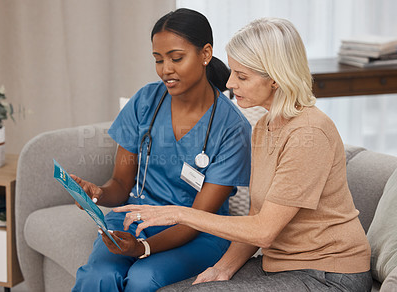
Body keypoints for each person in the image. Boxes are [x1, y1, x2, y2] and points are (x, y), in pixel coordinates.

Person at [114, 18, 373, 292]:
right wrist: (222, 268)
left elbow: (263, 230)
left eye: (242, 76)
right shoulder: (264, 126)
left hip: (329, 274)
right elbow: (255, 216)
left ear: (275, 78)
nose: (229, 82)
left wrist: (181, 214)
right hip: (279, 264)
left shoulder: (309, 133)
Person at [71, 8, 252, 292]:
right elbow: (120, 184)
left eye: (176, 58)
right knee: (98, 276)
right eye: (158, 59)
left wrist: (143, 248)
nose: (165, 69)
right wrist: (98, 194)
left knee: (145, 278)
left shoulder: (232, 128)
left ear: (205, 54)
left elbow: (198, 218)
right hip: (135, 218)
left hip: (200, 231)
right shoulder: (145, 101)